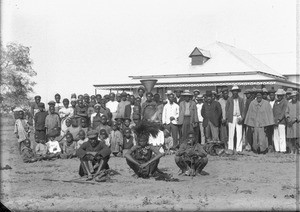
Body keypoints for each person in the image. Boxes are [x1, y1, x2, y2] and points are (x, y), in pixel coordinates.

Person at [244, 90, 275, 154]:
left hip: (263, 125)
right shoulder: (252, 103)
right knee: (255, 138)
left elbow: (269, 114)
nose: (259, 97)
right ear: (256, 96)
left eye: (260, 95)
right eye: (257, 95)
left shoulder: (266, 104)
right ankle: (256, 150)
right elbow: (250, 115)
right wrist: (251, 125)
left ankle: (263, 150)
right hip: (255, 124)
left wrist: (267, 125)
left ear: (262, 96)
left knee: (263, 138)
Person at [225, 85, 244, 152]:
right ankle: (231, 148)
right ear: (232, 92)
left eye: (236, 91)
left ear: (238, 92)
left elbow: (243, 109)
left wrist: (242, 117)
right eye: (234, 91)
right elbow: (226, 109)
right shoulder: (229, 100)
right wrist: (227, 118)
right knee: (231, 133)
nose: (235, 93)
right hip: (232, 117)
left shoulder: (241, 99)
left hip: (239, 117)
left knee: (239, 133)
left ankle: (239, 148)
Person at [272, 89, 288, 153]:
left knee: (282, 135)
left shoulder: (285, 102)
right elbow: (273, 111)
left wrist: (279, 119)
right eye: (278, 95)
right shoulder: (275, 102)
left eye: (280, 95)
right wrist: (274, 120)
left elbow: (283, 112)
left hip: (282, 121)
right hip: (275, 121)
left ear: (283, 96)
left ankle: (282, 149)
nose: (279, 97)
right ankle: (277, 149)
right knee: (276, 136)